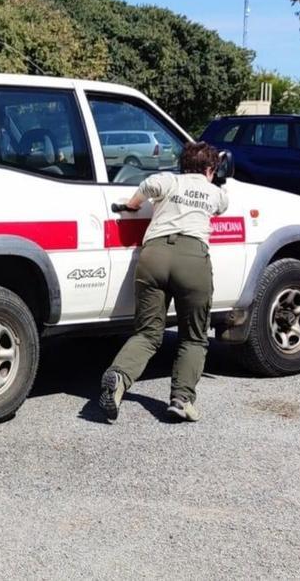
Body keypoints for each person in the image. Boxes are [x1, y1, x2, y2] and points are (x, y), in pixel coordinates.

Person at [99, 142, 229, 423]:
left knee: (147, 334)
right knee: (193, 336)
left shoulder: (170, 180)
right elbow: (222, 205)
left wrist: (132, 205)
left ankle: (119, 377)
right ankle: (182, 400)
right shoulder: (214, 192)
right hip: (192, 259)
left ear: (183, 165)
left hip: (154, 255)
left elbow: (148, 184)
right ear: (210, 169)